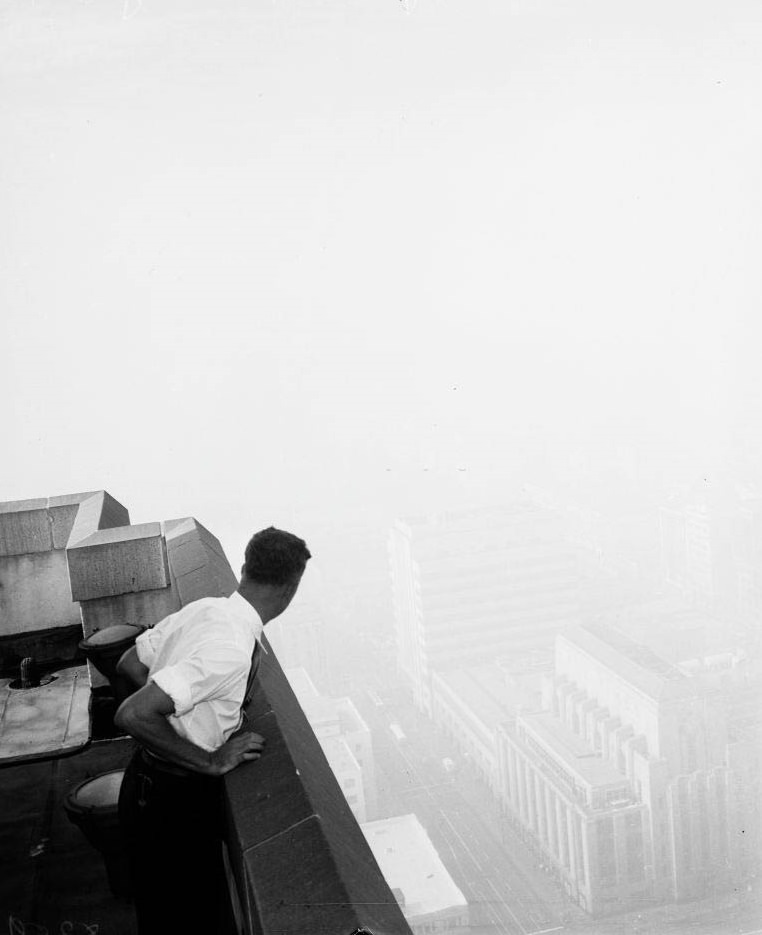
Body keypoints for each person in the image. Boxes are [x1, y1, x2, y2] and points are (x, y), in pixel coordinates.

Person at [114, 526, 311, 934]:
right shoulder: (232, 651)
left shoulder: (205, 609)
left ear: (243, 568)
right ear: (291, 590)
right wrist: (208, 760)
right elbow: (132, 715)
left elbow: (129, 665)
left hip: (144, 786)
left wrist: (171, 723)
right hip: (175, 805)